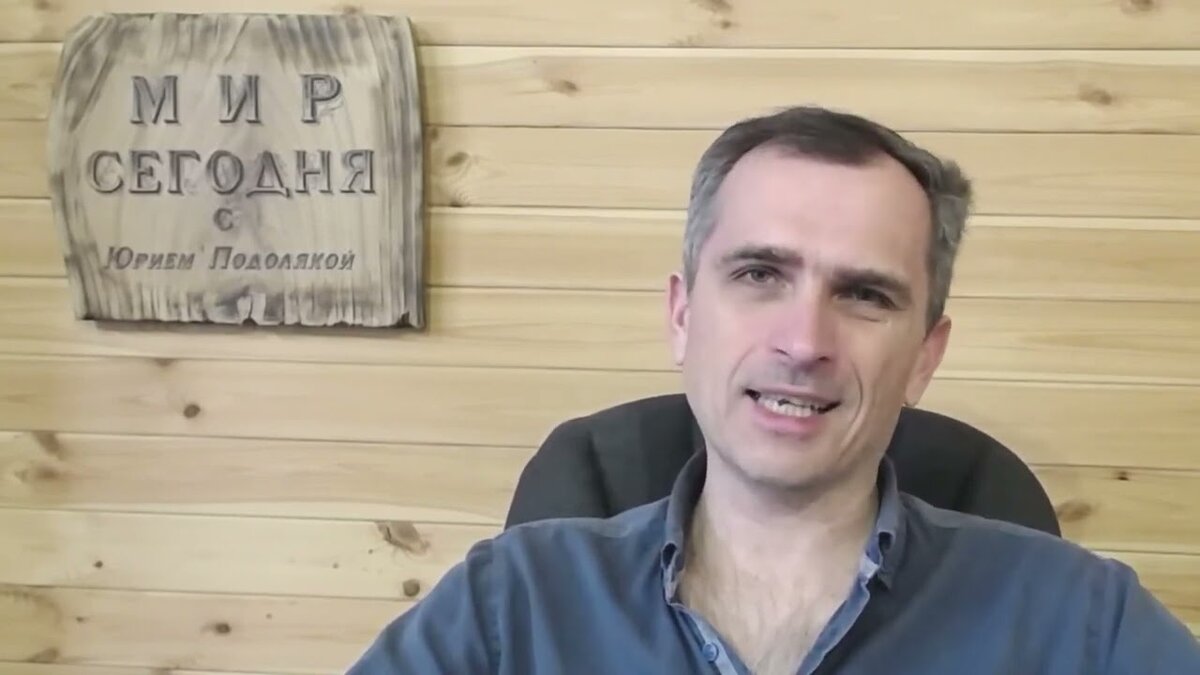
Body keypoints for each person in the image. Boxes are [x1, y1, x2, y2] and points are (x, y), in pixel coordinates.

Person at [346, 106, 1200, 674]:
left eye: (864, 294)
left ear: (924, 357)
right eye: (759, 273)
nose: (804, 341)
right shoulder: (509, 605)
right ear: (683, 317)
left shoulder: (1084, 621)